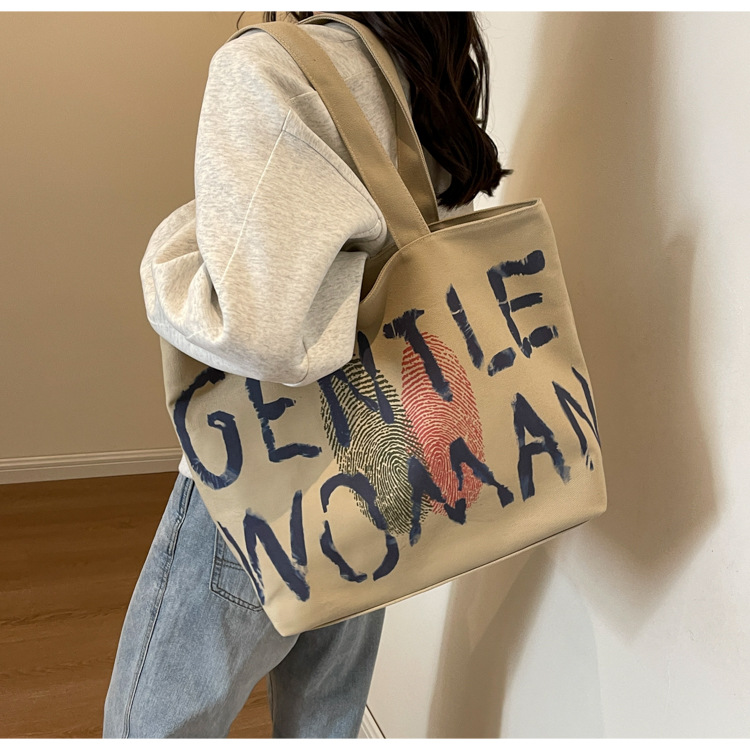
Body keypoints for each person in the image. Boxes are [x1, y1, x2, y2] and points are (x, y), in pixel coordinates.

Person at [103, 10, 511, 739]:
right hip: (390, 460)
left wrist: (168, 253)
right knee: (326, 719)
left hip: (265, 474)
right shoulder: (426, 64)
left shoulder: (267, 67)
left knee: (151, 727)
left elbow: (258, 330)